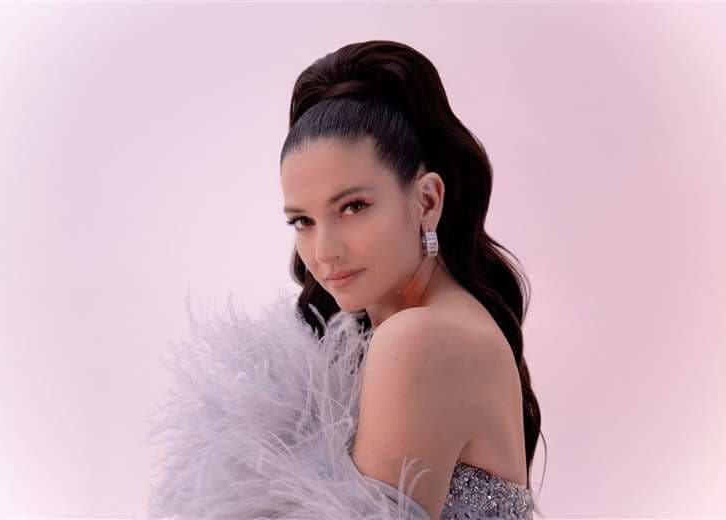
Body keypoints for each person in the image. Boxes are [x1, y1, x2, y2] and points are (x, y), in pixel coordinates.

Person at [146, 40, 545, 520]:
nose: (324, 251)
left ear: (427, 201)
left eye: (353, 207)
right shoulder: (429, 325)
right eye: (303, 221)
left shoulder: (420, 338)